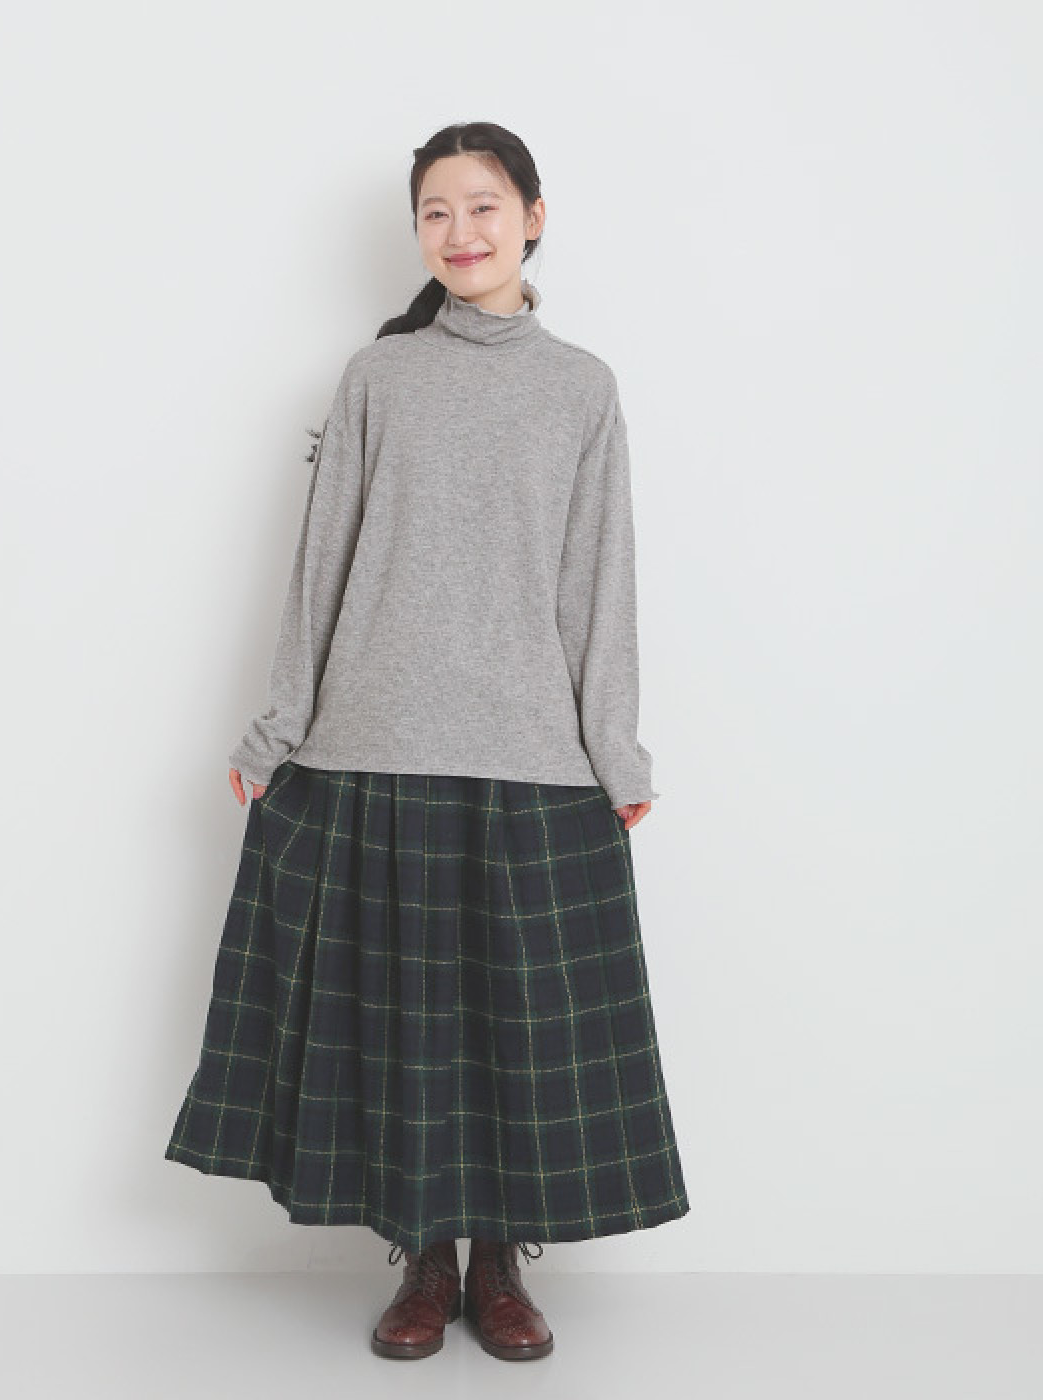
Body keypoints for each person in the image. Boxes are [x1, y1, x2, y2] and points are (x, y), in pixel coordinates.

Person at [164, 120, 690, 1361]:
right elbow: (321, 568)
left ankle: (502, 1260)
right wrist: (278, 727)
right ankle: (426, 1261)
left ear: (534, 217)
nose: (461, 231)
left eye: (484, 205)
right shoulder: (377, 377)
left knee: (517, 1028)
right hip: (374, 746)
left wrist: (615, 751)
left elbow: (599, 582)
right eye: (436, 211)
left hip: (531, 757)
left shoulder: (582, 388)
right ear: (417, 232)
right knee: (407, 1025)